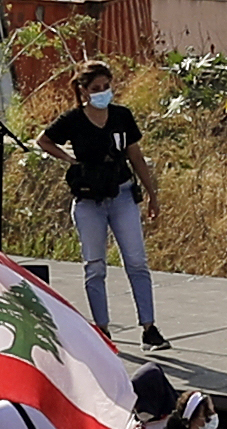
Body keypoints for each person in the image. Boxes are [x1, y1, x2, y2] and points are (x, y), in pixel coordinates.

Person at [37, 70, 163, 351]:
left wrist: (152, 194)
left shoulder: (121, 116)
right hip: (89, 199)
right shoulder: (73, 119)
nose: (103, 92)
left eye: (107, 86)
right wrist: (69, 159)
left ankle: (149, 326)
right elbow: (43, 140)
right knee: (95, 266)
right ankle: (102, 328)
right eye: (96, 88)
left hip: (121, 192)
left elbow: (135, 155)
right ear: (84, 91)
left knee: (136, 261)